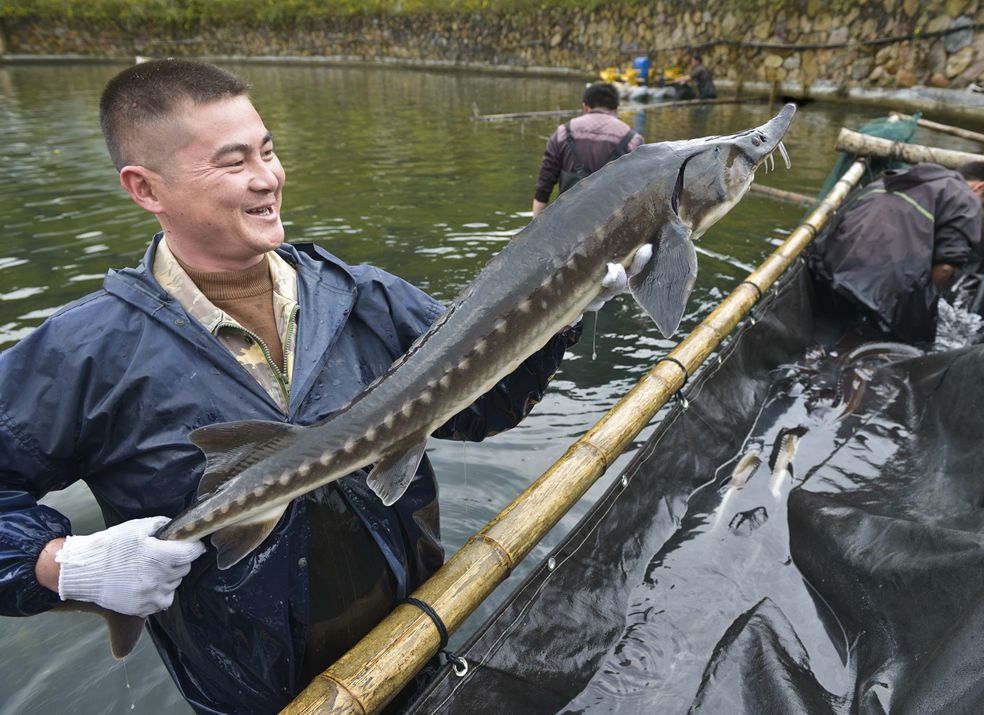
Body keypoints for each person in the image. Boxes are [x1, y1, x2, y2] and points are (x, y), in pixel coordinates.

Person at [0, 60, 643, 714]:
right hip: (254, 700)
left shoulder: (364, 296)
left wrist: (564, 308)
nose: (268, 178)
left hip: (418, 645)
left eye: (269, 150)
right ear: (146, 189)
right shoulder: (82, 354)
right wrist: (60, 563)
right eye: (233, 162)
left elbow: (484, 405)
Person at [808, 161, 984, 343]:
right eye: (983, 203)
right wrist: (925, 305)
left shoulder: (897, 178)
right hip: (880, 292)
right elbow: (946, 267)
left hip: (827, 266)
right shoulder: (966, 198)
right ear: (980, 187)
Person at [532, 82, 644, 216]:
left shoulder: (563, 133)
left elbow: (545, 184)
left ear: (585, 106)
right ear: (616, 109)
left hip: (567, 221)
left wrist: (534, 225)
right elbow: (638, 189)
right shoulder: (632, 139)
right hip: (609, 223)